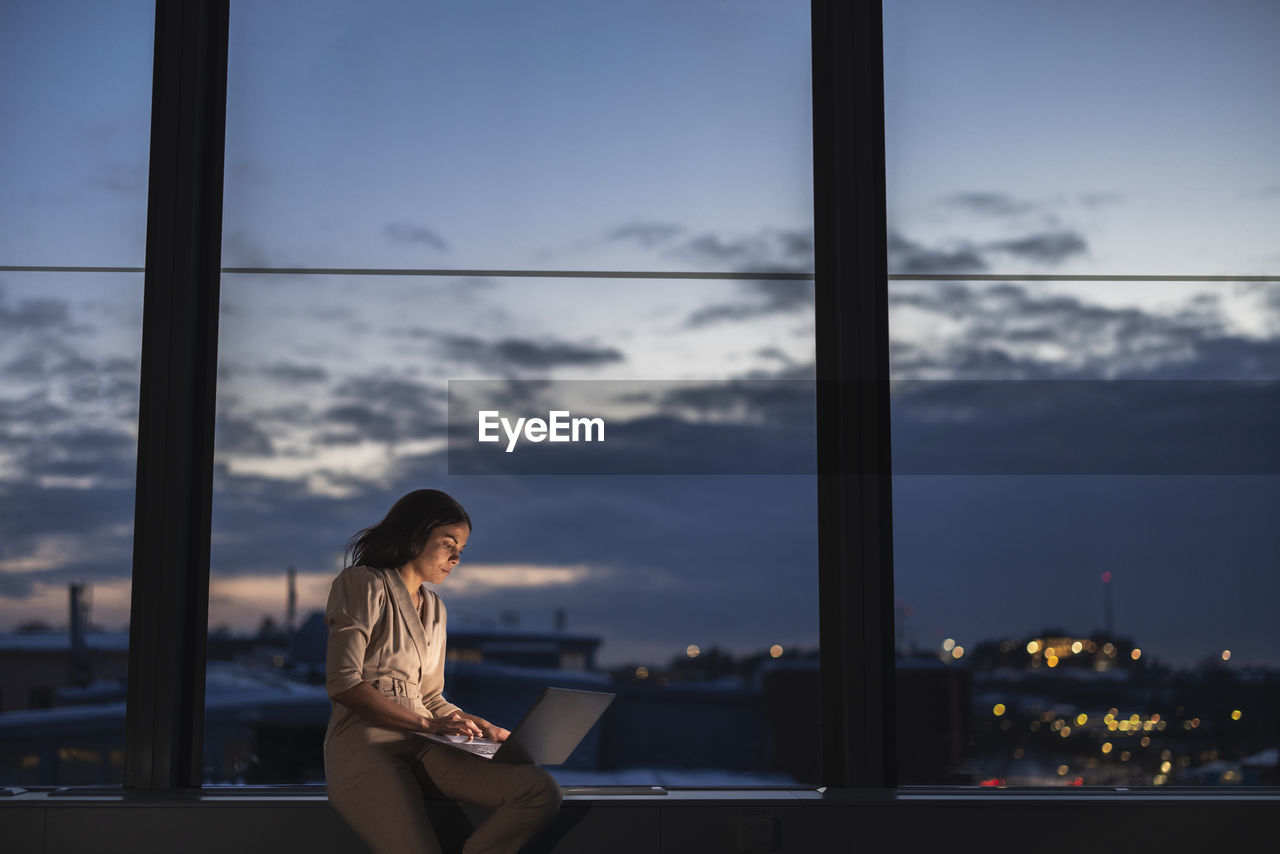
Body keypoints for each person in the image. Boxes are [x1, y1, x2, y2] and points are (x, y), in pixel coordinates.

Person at [323, 489, 562, 854]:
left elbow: (431, 697)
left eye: (461, 551)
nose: (455, 558)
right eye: (448, 544)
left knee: (537, 790)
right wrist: (429, 725)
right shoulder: (363, 584)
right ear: (414, 536)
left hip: (426, 741)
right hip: (365, 742)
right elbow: (344, 684)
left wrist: (476, 725)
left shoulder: (435, 608)